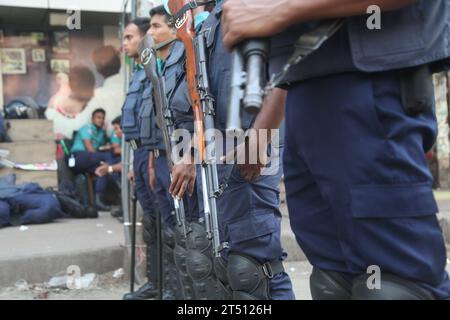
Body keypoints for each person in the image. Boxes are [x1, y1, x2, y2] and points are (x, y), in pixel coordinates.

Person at [222, 0, 450, 299]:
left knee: (398, 285)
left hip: (369, 85)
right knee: (332, 282)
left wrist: (278, 9)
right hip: (304, 87)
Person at [164, 1, 295, 300]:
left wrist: (259, 139)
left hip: (254, 147)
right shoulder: (209, 24)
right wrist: (189, 152)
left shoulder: (258, 7)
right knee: (226, 260)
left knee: (253, 264)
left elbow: (286, 73)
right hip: (217, 151)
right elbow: (191, 101)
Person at [69, 108, 115, 211]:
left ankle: (98, 201)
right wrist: (106, 160)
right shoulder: (87, 128)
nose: (101, 120)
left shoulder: (101, 133)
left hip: (89, 161)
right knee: (109, 157)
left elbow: (100, 148)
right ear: (92, 119)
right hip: (77, 158)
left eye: (103, 118)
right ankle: (118, 173)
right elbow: (89, 147)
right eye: (98, 117)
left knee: (102, 170)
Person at [82, 46, 125, 134]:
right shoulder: (132, 85)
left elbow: (85, 124)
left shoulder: (97, 96)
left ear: (97, 69)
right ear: (119, 63)